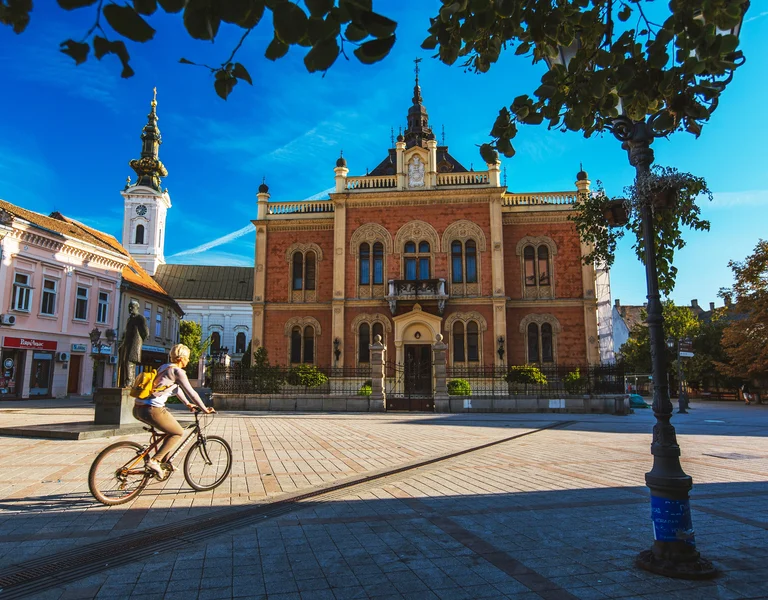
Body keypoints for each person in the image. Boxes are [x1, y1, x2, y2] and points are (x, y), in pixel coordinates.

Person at [132, 343, 214, 477]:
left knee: (168, 430)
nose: (188, 360)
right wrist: (204, 409)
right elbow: (192, 392)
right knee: (177, 432)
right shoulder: (178, 371)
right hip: (152, 409)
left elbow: (175, 389)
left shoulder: (164, 367)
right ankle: (155, 461)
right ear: (181, 358)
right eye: (187, 358)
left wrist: (187, 404)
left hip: (138, 408)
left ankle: (164, 463)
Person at [118, 300, 149, 388]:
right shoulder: (129, 319)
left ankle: (129, 382)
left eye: (132, 307)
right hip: (127, 343)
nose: (130, 309)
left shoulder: (140, 318)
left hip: (135, 343)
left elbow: (146, 332)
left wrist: (140, 340)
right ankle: (130, 382)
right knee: (126, 362)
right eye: (129, 307)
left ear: (137, 308)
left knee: (129, 362)